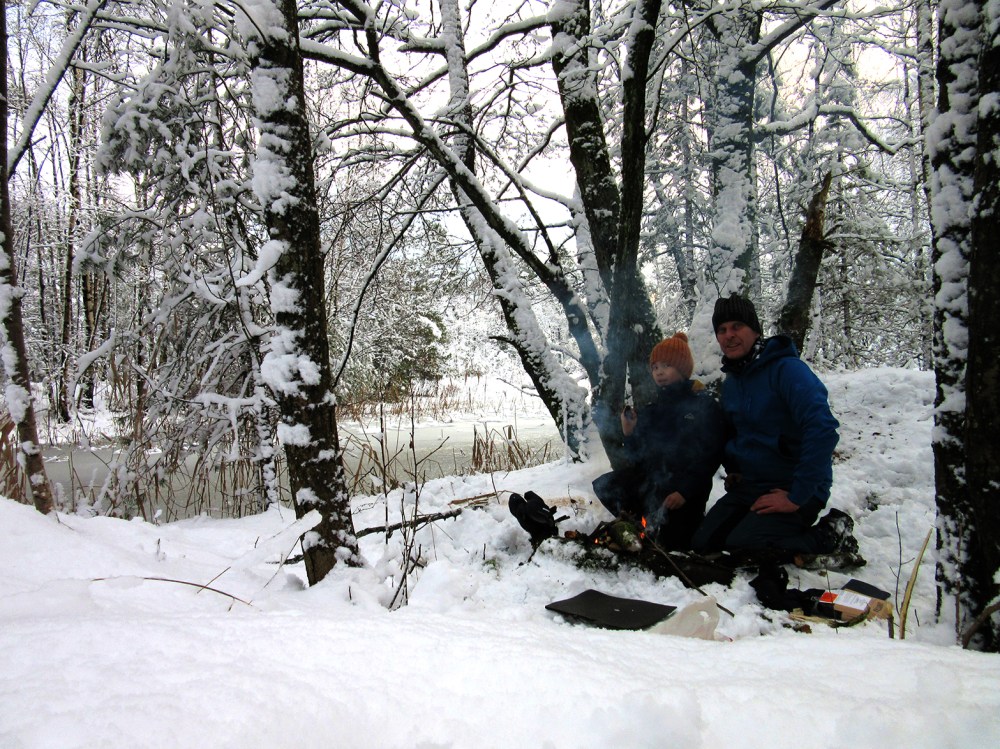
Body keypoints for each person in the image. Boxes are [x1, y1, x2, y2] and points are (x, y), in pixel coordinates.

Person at [691, 295, 858, 562]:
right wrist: (734, 467)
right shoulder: (733, 382)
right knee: (702, 544)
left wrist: (797, 495)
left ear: (755, 330)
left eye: (737, 327)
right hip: (753, 484)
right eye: (722, 330)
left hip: (794, 487)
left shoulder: (787, 370)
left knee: (744, 547)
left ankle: (829, 535)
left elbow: (823, 428)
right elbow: (735, 430)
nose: (729, 335)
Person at [592, 332, 726, 550]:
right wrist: (630, 432)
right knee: (606, 485)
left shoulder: (702, 405)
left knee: (674, 544)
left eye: (666, 366)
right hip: (654, 485)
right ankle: (640, 524)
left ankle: (674, 525)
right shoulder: (653, 409)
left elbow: (710, 456)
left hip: (686, 491)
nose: (659, 372)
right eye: (655, 367)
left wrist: (684, 491)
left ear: (682, 368)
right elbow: (638, 458)